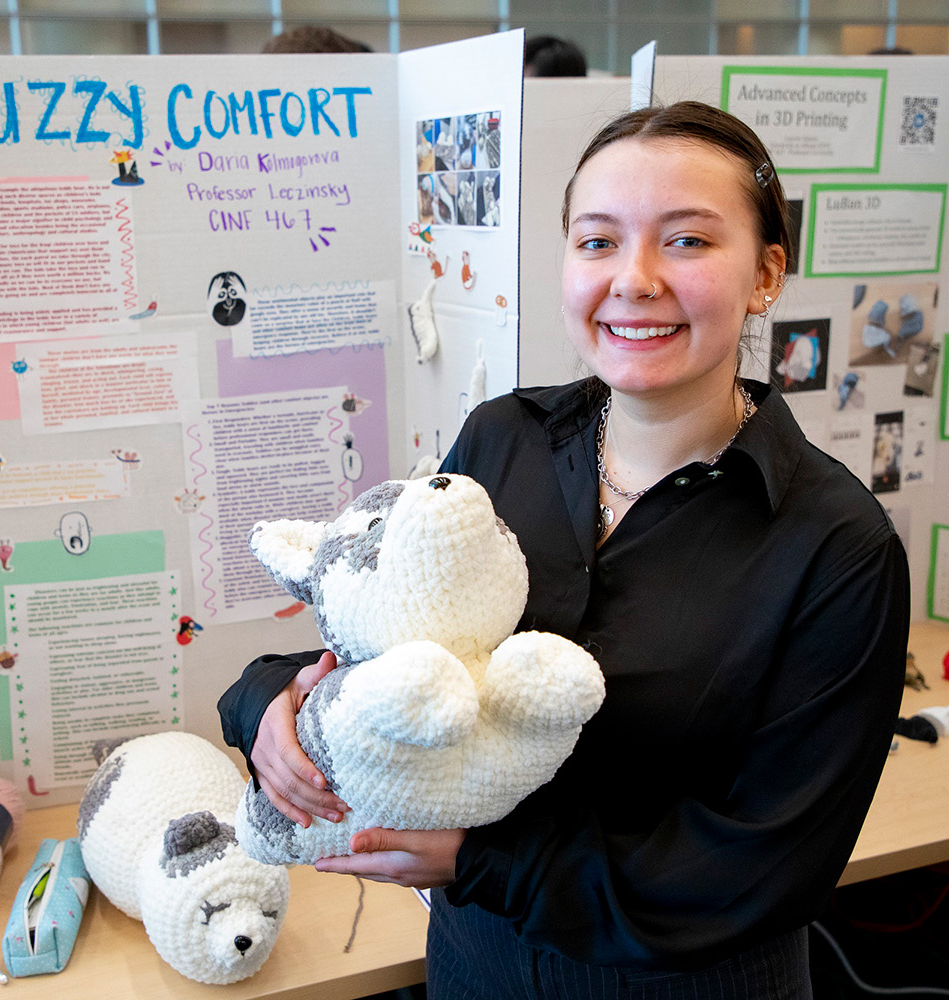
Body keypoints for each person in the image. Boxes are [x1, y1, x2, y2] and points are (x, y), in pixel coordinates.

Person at [219, 101, 909, 998]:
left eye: (688, 242)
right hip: (479, 967)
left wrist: (481, 861)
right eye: (597, 242)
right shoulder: (501, 442)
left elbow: (764, 870)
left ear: (767, 273)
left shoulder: (835, 544)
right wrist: (272, 702)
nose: (634, 279)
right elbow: (384, 642)